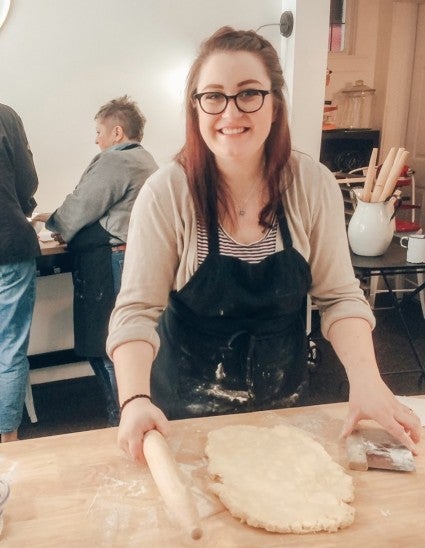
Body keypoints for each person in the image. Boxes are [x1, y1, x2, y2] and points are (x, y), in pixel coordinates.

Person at [106, 27, 421, 459]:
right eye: (213, 95)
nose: (230, 112)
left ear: (275, 105)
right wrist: (134, 401)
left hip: (286, 413)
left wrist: (367, 380)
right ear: (195, 108)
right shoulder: (167, 193)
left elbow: (340, 297)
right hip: (180, 415)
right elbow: (136, 312)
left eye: (249, 93)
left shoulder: (312, 184)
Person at [34, 96, 158, 426]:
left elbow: (79, 208)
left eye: (99, 131)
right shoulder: (145, 160)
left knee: (108, 348)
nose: (96, 139)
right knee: (122, 344)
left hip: (112, 262)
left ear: (117, 132)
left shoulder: (116, 161)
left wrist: (54, 222)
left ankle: (121, 420)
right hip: (131, 259)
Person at [0, 103, 40, 443]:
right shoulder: (5, 115)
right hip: (8, 243)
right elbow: (27, 180)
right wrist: (20, 209)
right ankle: (8, 444)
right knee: (9, 347)